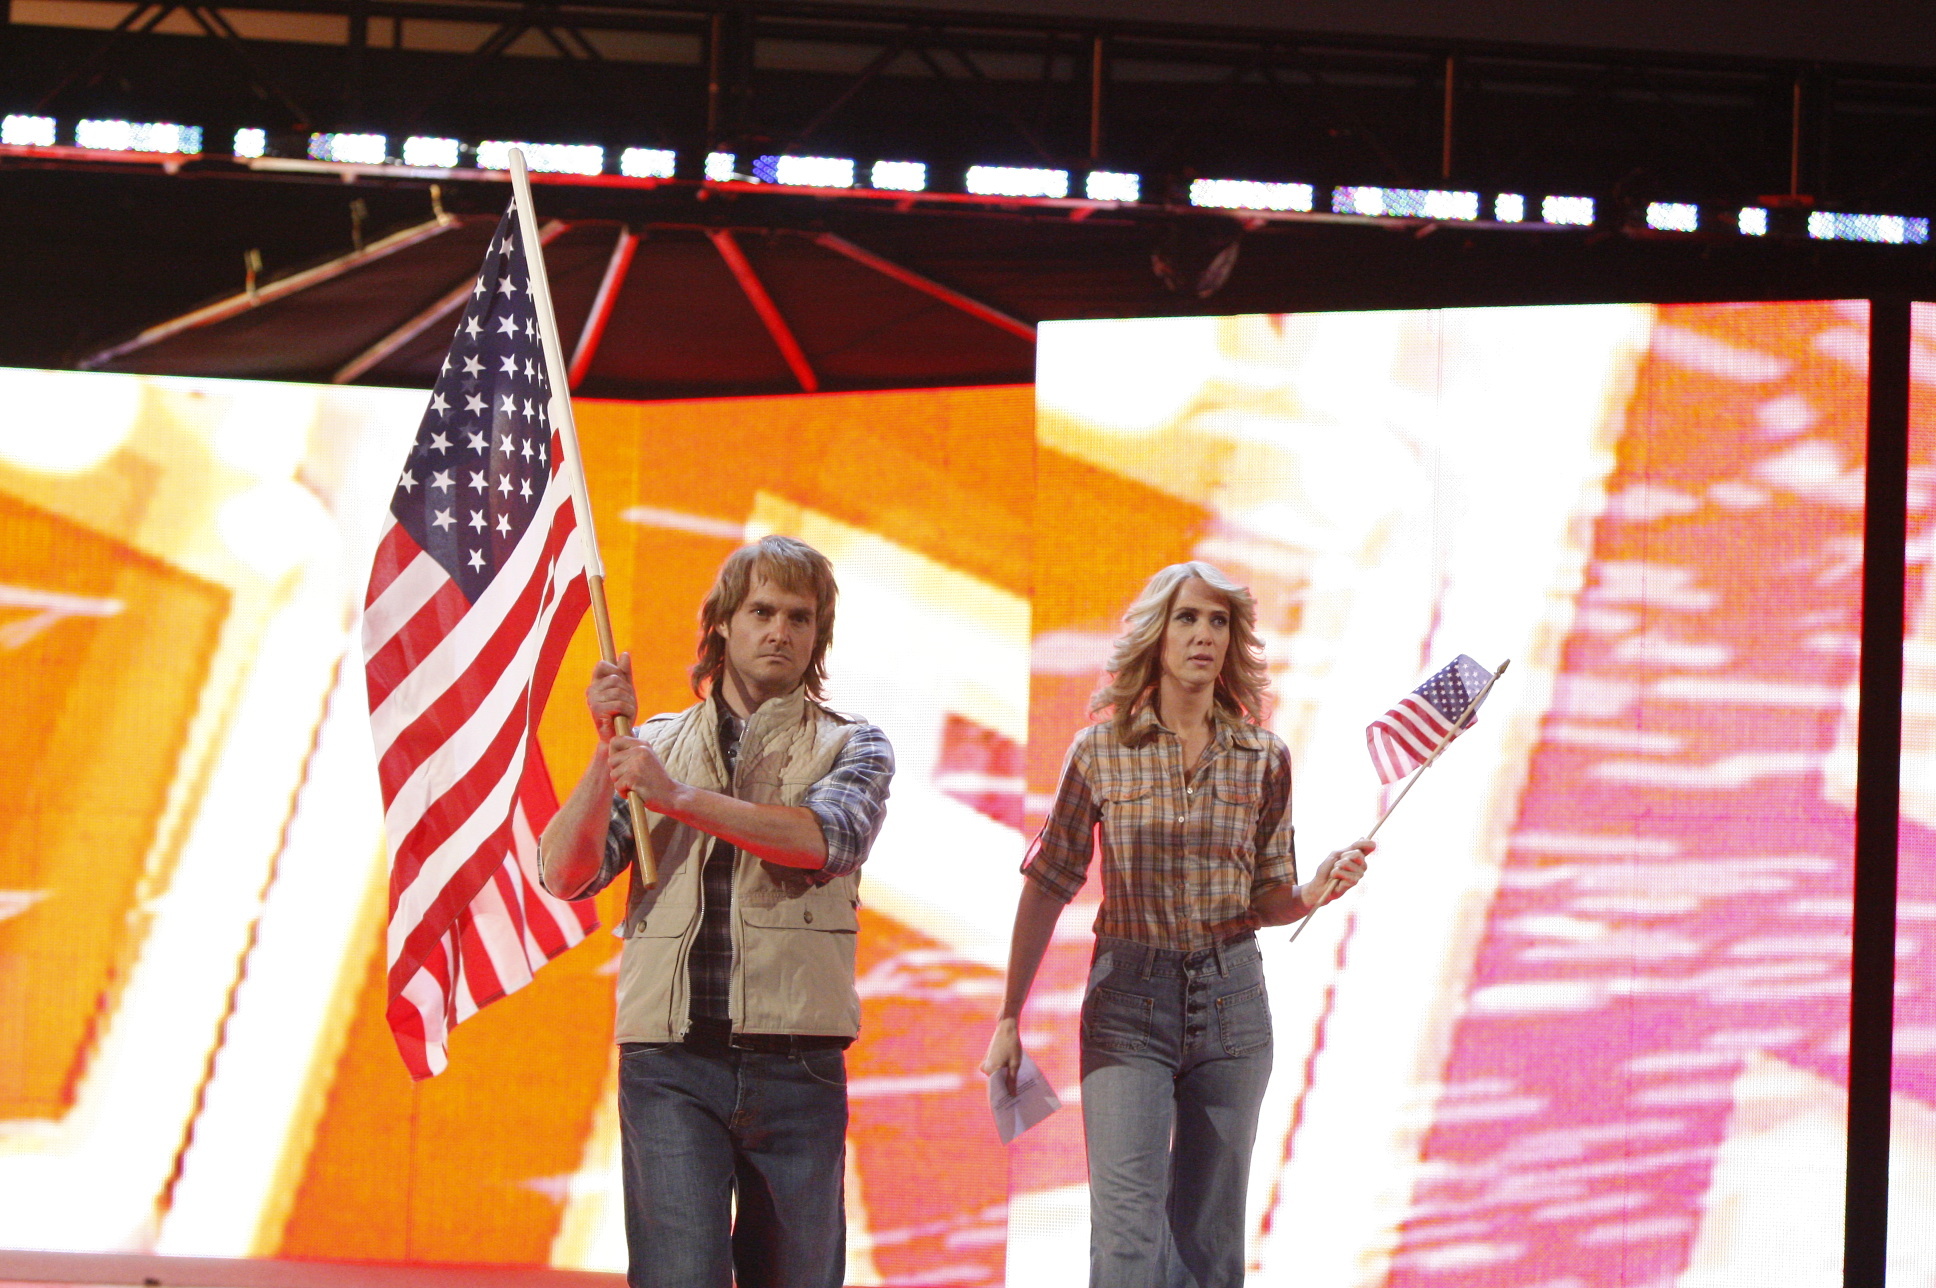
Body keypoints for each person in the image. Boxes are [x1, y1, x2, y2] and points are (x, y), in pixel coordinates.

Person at [980, 561, 1373, 1288]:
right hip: (1130, 1000)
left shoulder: (1263, 757)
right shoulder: (1101, 751)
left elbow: (1268, 898)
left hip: (1233, 1002)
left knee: (1209, 1245)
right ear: (1157, 633)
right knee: (1128, 1240)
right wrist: (1009, 1013)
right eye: (1188, 619)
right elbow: (1047, 883)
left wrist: (1314, 891)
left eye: (1218, 622)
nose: (1203, 636)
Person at [539, 534, 894, 1288]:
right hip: (670, 1063)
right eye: (762, 610)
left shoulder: (851, 745)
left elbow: (826, 839)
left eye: (800, 617)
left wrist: (677, 798)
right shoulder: (655, 744)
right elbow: (565, 874)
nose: (780, 631)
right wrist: (607, 755)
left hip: (798, 1062)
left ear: (817, 636)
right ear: (723, 624)